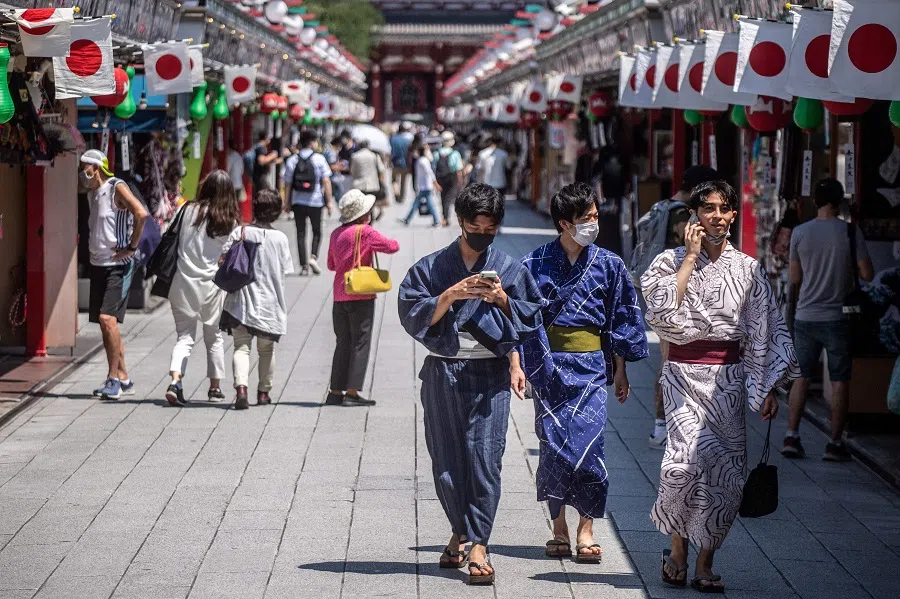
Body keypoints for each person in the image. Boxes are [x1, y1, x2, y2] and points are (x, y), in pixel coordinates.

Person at [641, 180, 799, 593]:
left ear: (732, 214)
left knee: (725, 474)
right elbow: (661, 315)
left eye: (723, 208)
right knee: (682, 465)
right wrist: (690, 259)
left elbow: (763, 329)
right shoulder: (667, 262)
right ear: (693, 215)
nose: (715, 215)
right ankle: (677, 548)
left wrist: (765, 387)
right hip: (682, 376)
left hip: (727, 380)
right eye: (706, 208)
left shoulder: (748, 268)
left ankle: (706, 560)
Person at [398, 183, 544, 585]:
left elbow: (529, 319)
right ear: (460, 222)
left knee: (485, 458)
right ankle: (459, 529)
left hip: (490, 374)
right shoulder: (430, 268)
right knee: (446, 460)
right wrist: (449, 295)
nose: (483, 234)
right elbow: (411, 313)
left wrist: (502, 301)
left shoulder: (510, 269)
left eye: (491, 228)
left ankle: (478, 542)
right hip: (443, 370)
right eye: (475, 226)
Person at [516, 183, 648, 563]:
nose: (595, 223)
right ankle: (558, 527)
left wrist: (620, 370)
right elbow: (521, 318)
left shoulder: (610, 264)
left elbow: (623, 317)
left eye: (595, 215)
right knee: (554, 448)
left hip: (591, 367)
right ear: (564, 223)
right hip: (549, 367)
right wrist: (519, 364)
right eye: (586, 218)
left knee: (591, 450)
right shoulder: (534, 263)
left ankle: (586, 527)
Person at [784, 177, 874, 461]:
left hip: (806, 316)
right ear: (839, 202)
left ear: (816, 201)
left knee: (801, 378)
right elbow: (867, 274)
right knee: (839, 381)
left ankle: (791, 437)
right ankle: (835, 443)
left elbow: (795, 278)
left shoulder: (800, 232)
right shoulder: (850, 232)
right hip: (839, 318)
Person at [633, 165, 720, 449]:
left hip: (661, 288)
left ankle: (668, 422)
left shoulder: (661, 206)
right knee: (671, 359)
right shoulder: (684, 215)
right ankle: (662, 424)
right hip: (677, 293)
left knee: (670, 357)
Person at [165, 170, 240, 406]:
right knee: (214, 336)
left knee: (184, 337)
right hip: (213, 286)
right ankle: (215, 388)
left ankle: (175, 381)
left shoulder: (186, 210)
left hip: (182, 282)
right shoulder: (230, 220)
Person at [80, 150, 149, 400]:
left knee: (108, 319)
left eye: (84, 166)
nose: (82, 171)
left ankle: (113, 380)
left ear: (95, 167)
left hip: (118, 265)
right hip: (98, 263)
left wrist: (131, 246)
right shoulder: (92, 194)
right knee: (104, 322)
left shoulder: (114, 187)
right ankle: (123, 377)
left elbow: (140, 213)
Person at [219, 190, 294, 410]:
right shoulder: (280, 238)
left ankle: (241, 388)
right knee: (266, 350)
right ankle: (263, 392)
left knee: (241, 347)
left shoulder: (240, 232)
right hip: (270, 303)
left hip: (241, 300)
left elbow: (223, 259)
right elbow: (286, 269)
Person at [326, 190, 400, 407]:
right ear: (364, 213)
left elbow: (331, 264)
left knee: (343, 343)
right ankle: (351, 392)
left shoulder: (336, 234)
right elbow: (393, 246)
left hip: (340, 295)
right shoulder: (365, 232)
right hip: (361, 295)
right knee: (360, 342)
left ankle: (335, 392)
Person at [283, 130, 333, 276]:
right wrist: (329, 202)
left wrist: (286, 203)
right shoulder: (319, 159)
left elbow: (287, 184)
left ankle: (304, 265)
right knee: (317, 231)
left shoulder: (292, 159)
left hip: (298, 201)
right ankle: (313, 257)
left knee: (300, 233)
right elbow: (326, 181)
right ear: (312, 143)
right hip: (315, 201)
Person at [400, 142, 441, 227]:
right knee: (422, 203)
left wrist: (435, 183)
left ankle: (408, 219)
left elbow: (429, 172)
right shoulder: (422, 160)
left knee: (419, 204)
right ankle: (407, 219)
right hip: (423, 186)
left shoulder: (423, 161)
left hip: (425, 186)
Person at [434, 131, 465, 227]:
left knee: (443, 197)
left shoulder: (436, 153)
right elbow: (459, 169)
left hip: (440, 178)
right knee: (450, 198)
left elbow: (434, 168)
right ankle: (447, 218)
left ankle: (445, 217)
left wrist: (435, 182)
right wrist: (460, 181)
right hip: (452, 178)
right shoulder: (455, 153)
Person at [390, 121, 414, 202]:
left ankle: (396, 193)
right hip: (405, 164)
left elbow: (389, 151)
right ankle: (402, 197)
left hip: (395, 163)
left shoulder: (393, 139)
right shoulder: (407, 140)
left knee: (394, 180)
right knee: (403, 181)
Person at [326, 136, 346, 203]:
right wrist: (342, 168)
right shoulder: (332, 152)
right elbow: (331, 166)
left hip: (331, 178)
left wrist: (339, 163)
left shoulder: (329, 151)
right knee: (340, 199)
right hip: (334, 178)